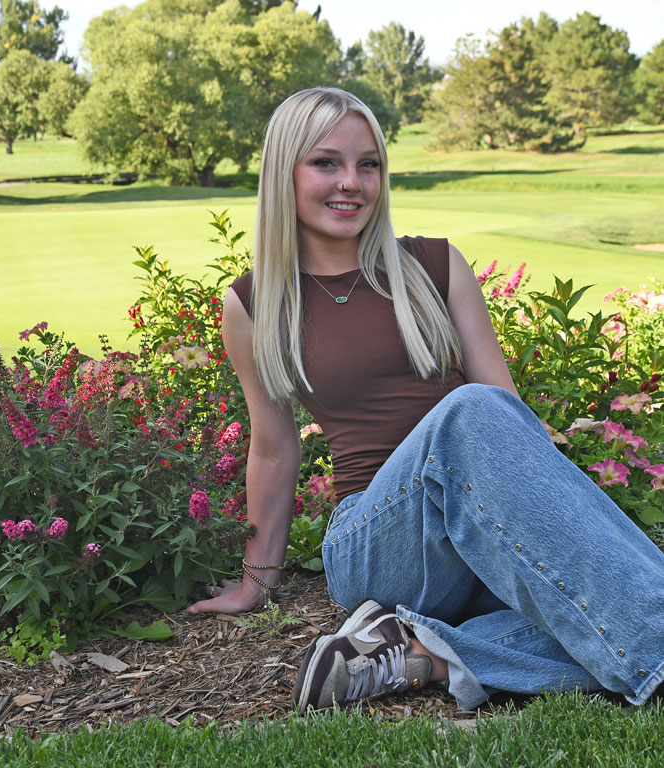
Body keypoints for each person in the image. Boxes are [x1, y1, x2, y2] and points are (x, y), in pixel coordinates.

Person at [187, 86, 664, 712]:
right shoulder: (255, 304)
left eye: (369, 164)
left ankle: (422, 655)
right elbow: (274, 449)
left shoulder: (435, 266)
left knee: (585, 598)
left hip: (480, 531)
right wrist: (256, 581)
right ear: (285, 172)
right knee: (472, 413)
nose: (351, 183)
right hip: (378, 542)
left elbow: (509, 415)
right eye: (326, 162)